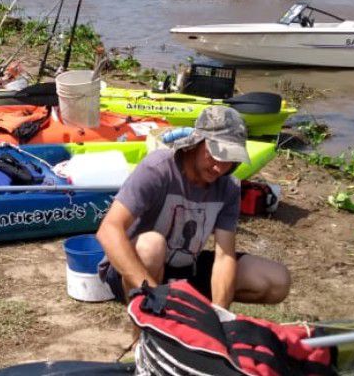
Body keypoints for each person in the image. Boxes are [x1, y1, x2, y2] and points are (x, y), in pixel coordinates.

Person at [96, 106, 290, 309]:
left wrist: (220, 313)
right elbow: (109, 230)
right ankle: (143, 334)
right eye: (214, 155)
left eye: (229, 160)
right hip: (135, 267)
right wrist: (153, 294)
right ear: (197, 142)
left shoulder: (229, 186)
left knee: (277, 280)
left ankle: (192, 310)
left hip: (186, 268)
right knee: (152, 245)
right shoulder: (158, 168)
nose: (219, 168)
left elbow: (224, 256)